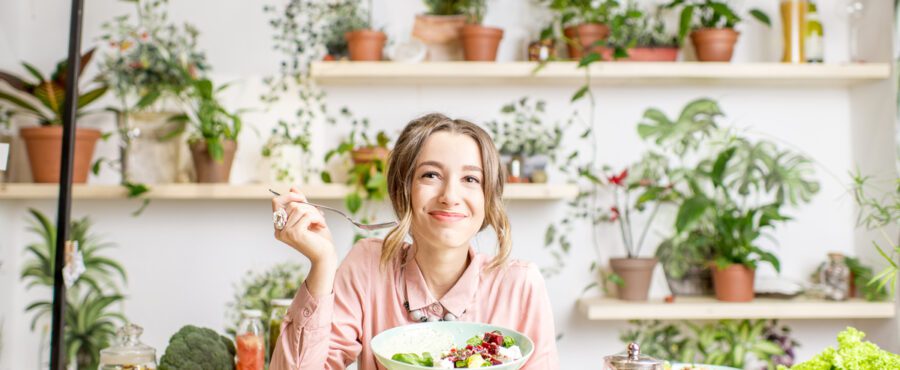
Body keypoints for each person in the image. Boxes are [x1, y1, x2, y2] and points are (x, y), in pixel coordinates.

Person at [269, 113, 559, 369]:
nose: (450, 196)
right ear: (402, 190)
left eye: (471, 179)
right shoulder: (368, 266)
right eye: (431, 175)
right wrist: (322, 263)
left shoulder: (521, 285)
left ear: (488, 198)